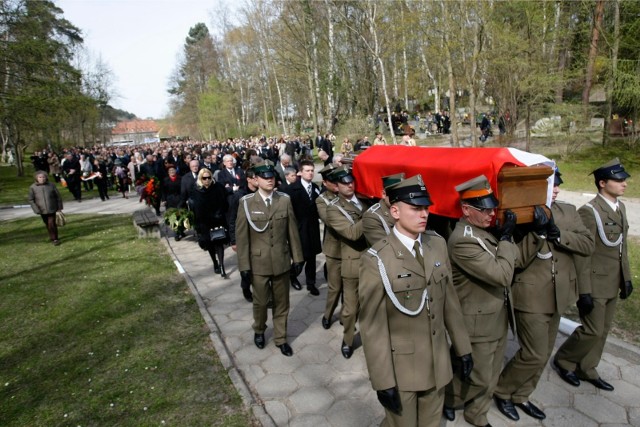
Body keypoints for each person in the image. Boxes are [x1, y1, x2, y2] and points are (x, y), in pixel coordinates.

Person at [359, 174, 472, 427]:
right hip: (402, 371)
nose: (424, 214)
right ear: (395, 211)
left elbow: (449, 303)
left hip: (437, 362)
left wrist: (463, 349)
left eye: (426, 208)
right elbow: (372, 327)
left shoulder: (437, 244)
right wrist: (383, 380)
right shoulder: (377, 259)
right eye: (416, 208)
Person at [494, 168, 594, 421]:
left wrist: (557, 233)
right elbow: (513, 259)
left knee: (545, 351)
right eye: (551, 186)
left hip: (559, 294)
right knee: (534, 353)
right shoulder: (518, 216)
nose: (557, 190)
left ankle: (522, 395)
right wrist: (534, 232)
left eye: (557, 185)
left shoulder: (568, 212)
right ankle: (503, 391)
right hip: (530, 297)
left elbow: (587, 245)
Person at [443, 175, 519, 427]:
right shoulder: (463, 240)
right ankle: (450, 400)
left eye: (493, 208)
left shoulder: (481, 231)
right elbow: (502, 274)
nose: (491, 214)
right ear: (466, 209)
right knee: (479, 376)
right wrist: (507, 239)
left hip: (495, 316)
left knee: (490, 374)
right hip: (477, 324)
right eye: (484, 209)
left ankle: (476, 415)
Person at [553, 158, 633, 392]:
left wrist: (626, 277)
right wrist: (584, 290)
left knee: (604, 330)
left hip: (613, 280)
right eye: (618, 180)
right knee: (592, 330)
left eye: (624, 179)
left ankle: (587, 368)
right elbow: (582, 253)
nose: (624, 183)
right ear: (602, 183)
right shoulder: (590, 212)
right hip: (595, 282)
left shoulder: (621, 207)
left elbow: (621, 248)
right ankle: (564, 360)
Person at [235, 161, 304, 357]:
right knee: (261, 302)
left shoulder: (284, 200)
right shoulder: (247, 203)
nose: (270, 180)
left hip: (281, 261)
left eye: (272, 177)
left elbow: (292, 231)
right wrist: (244, 267)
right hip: (258, 264)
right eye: (265, 178)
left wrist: (297, 258)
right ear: (255, 180)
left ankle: (281, 338)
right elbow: (243, 238)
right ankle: (259, 329)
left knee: (282, 303)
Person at [326, 165, 371, 359]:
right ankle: (348, 340)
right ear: (336, 186)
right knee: (351, 308)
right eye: (344, 183)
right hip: (352, 263)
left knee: (372, 306)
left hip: (371, 260)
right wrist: (373, 214)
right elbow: (352, 233)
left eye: (351, 181)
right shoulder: (334, 209)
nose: (349, 185)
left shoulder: (364, 200)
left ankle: (373, 340)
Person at [282, 159, 321, 296]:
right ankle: (292, 275)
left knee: (312, 258)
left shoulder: (316, 187)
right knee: (301, 258)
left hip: (313, 228)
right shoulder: (291, 189)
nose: (310, 173)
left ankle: (311, 283)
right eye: (307, 171)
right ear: (300, 172)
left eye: (312, 170)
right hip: (299, 229)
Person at [316, 163, 342, 330]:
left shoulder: (350, 195)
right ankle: (328, 314)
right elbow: (330, 221)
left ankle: (348, 315)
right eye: (333, 181)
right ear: (325, 183)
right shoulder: (322, 199)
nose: (337, 184)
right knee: (335, 286)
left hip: (352, 249)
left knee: (351, 287)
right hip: (334, 249)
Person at [191, 169, 229, 278]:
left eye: (209, 177)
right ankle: (215, 262)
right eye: (204, 178)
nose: (207, 180)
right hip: (204, 222)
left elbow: (224, 202)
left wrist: (220, 213)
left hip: (217, 219)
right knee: (210, 244)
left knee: (219, 243)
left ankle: (222, 266)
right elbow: (195, 208)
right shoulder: (196, 190)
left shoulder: (218, 187)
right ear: (200, 179)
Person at [230, 169, 259, 302]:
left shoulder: (262, 193)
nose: (258, 180)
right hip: (244, 236)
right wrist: (233, 240)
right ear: (248, 179)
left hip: (259, 235)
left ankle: (261, 291)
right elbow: (232, 219)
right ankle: (246, 287)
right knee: (246, 267)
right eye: (255, 178)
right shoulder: (240, 196)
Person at [362, 173, 404, 246]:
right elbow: (385, 248)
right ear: (384, 194)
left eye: (403, 193)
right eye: (395, 193)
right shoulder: (372, 216)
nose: (399, 197)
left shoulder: (406, 209)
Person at [28, 171, 64, 246]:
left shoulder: (51, 185)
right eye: (40, 177)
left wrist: (59, 207)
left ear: (46, 177)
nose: (42, 179)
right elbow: (31, 200)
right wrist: (36, 209)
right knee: (47, 224)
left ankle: (55, 239)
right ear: (36, 178)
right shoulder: (33, 187)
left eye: (43, 177)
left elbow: (58, 197)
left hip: (52, 208)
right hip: (41, 209)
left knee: (51, 223)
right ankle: (52, 237)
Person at [162, 166, 185, 241]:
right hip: (170, 200)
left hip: (179, 199)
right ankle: (176, 234)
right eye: (170, 170)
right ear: (168, 172)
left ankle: (181, 230)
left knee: (181, 216)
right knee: (173, 217)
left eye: (173, 170)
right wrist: (164, 200)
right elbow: (163, 191)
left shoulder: (180, 179)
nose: (172, 171)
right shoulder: (165, 180)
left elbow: (183, 189)